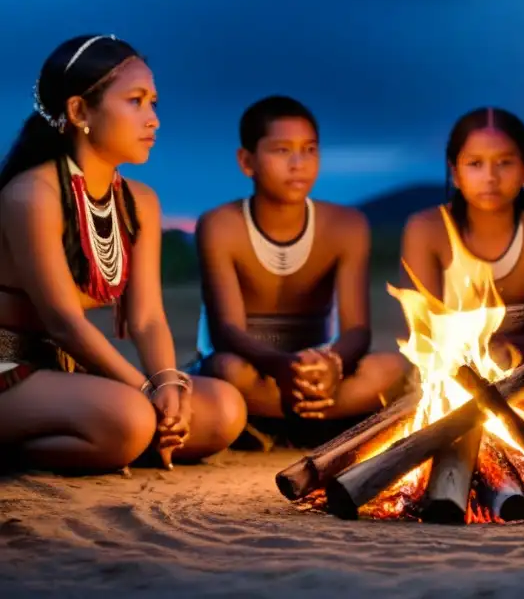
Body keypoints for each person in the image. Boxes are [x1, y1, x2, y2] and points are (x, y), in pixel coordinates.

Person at [0, 34, 246, 473]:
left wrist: (167, 385)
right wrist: (143, 391)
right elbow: (63, 323)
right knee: (131, 419)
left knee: (225, 408)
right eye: (136, 101)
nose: (153, 119)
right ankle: (78, 438)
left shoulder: (140, 202)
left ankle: (117, 434)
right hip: (10, 370)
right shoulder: (32, 195)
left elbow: (147, 318)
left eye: (153, 103)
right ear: (79, 112)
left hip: (71, 377)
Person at [192, 96, 410, 449]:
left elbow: (357, 329)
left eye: (309, 150)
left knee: (392, 369)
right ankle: (320, 423)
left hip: (319, 372)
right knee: (226, 370)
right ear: (247, 161)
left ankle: (273, 422)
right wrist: (281, 366)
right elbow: (226, 332)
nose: (298, 163)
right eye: (281, 151)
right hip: (256, 370)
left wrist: (333, 364)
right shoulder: (220, 225)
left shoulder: (346, 225)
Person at [400, 107, 524, 368]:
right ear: (455, 173)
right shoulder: (426, 230)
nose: (490, 178)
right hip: (448, 374)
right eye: (475, 164)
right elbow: (424, 333)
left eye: (505, 163)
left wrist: (506, 350)